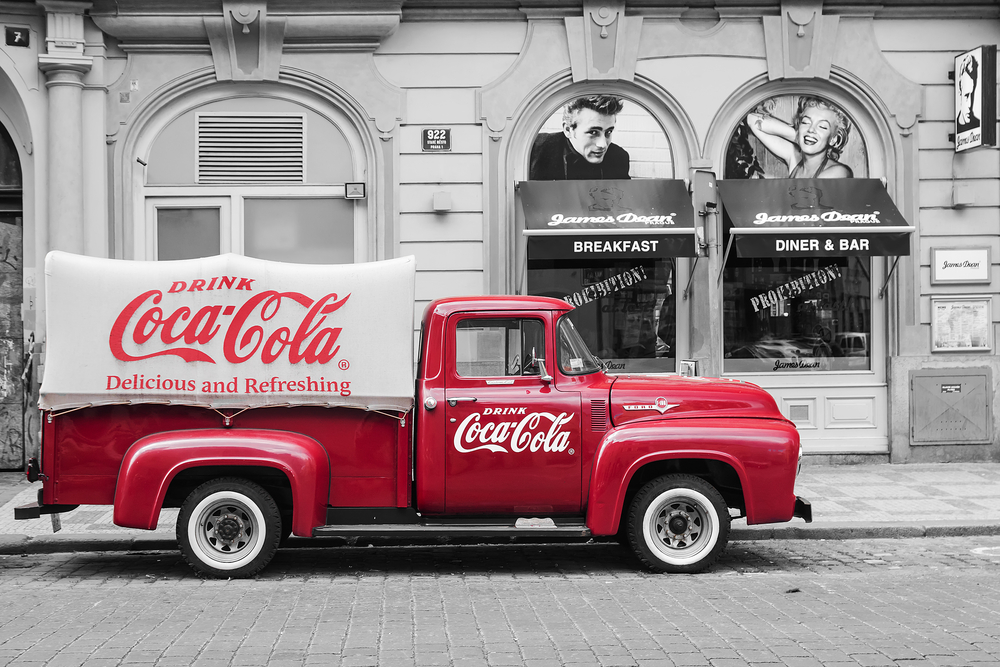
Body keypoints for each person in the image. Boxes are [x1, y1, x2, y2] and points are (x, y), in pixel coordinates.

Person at [746, 96, 853, 179]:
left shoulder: (839, 172)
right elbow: (751, 120)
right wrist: (799, 135)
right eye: (806, 122)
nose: (811, 129)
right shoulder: (795, 160)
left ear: (834, 139)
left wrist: (805, 136)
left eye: (822, 127)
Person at [529, 95, 631, 180]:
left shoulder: (619, 158)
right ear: (568, 130)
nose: (603, 145)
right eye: (593, 132)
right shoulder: (535, 149)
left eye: (608, 132)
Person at [956, 54, 980, 134]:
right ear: (960, 89)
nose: (970, 104)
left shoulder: (978, 125)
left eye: (972, 95)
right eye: (966, 96)